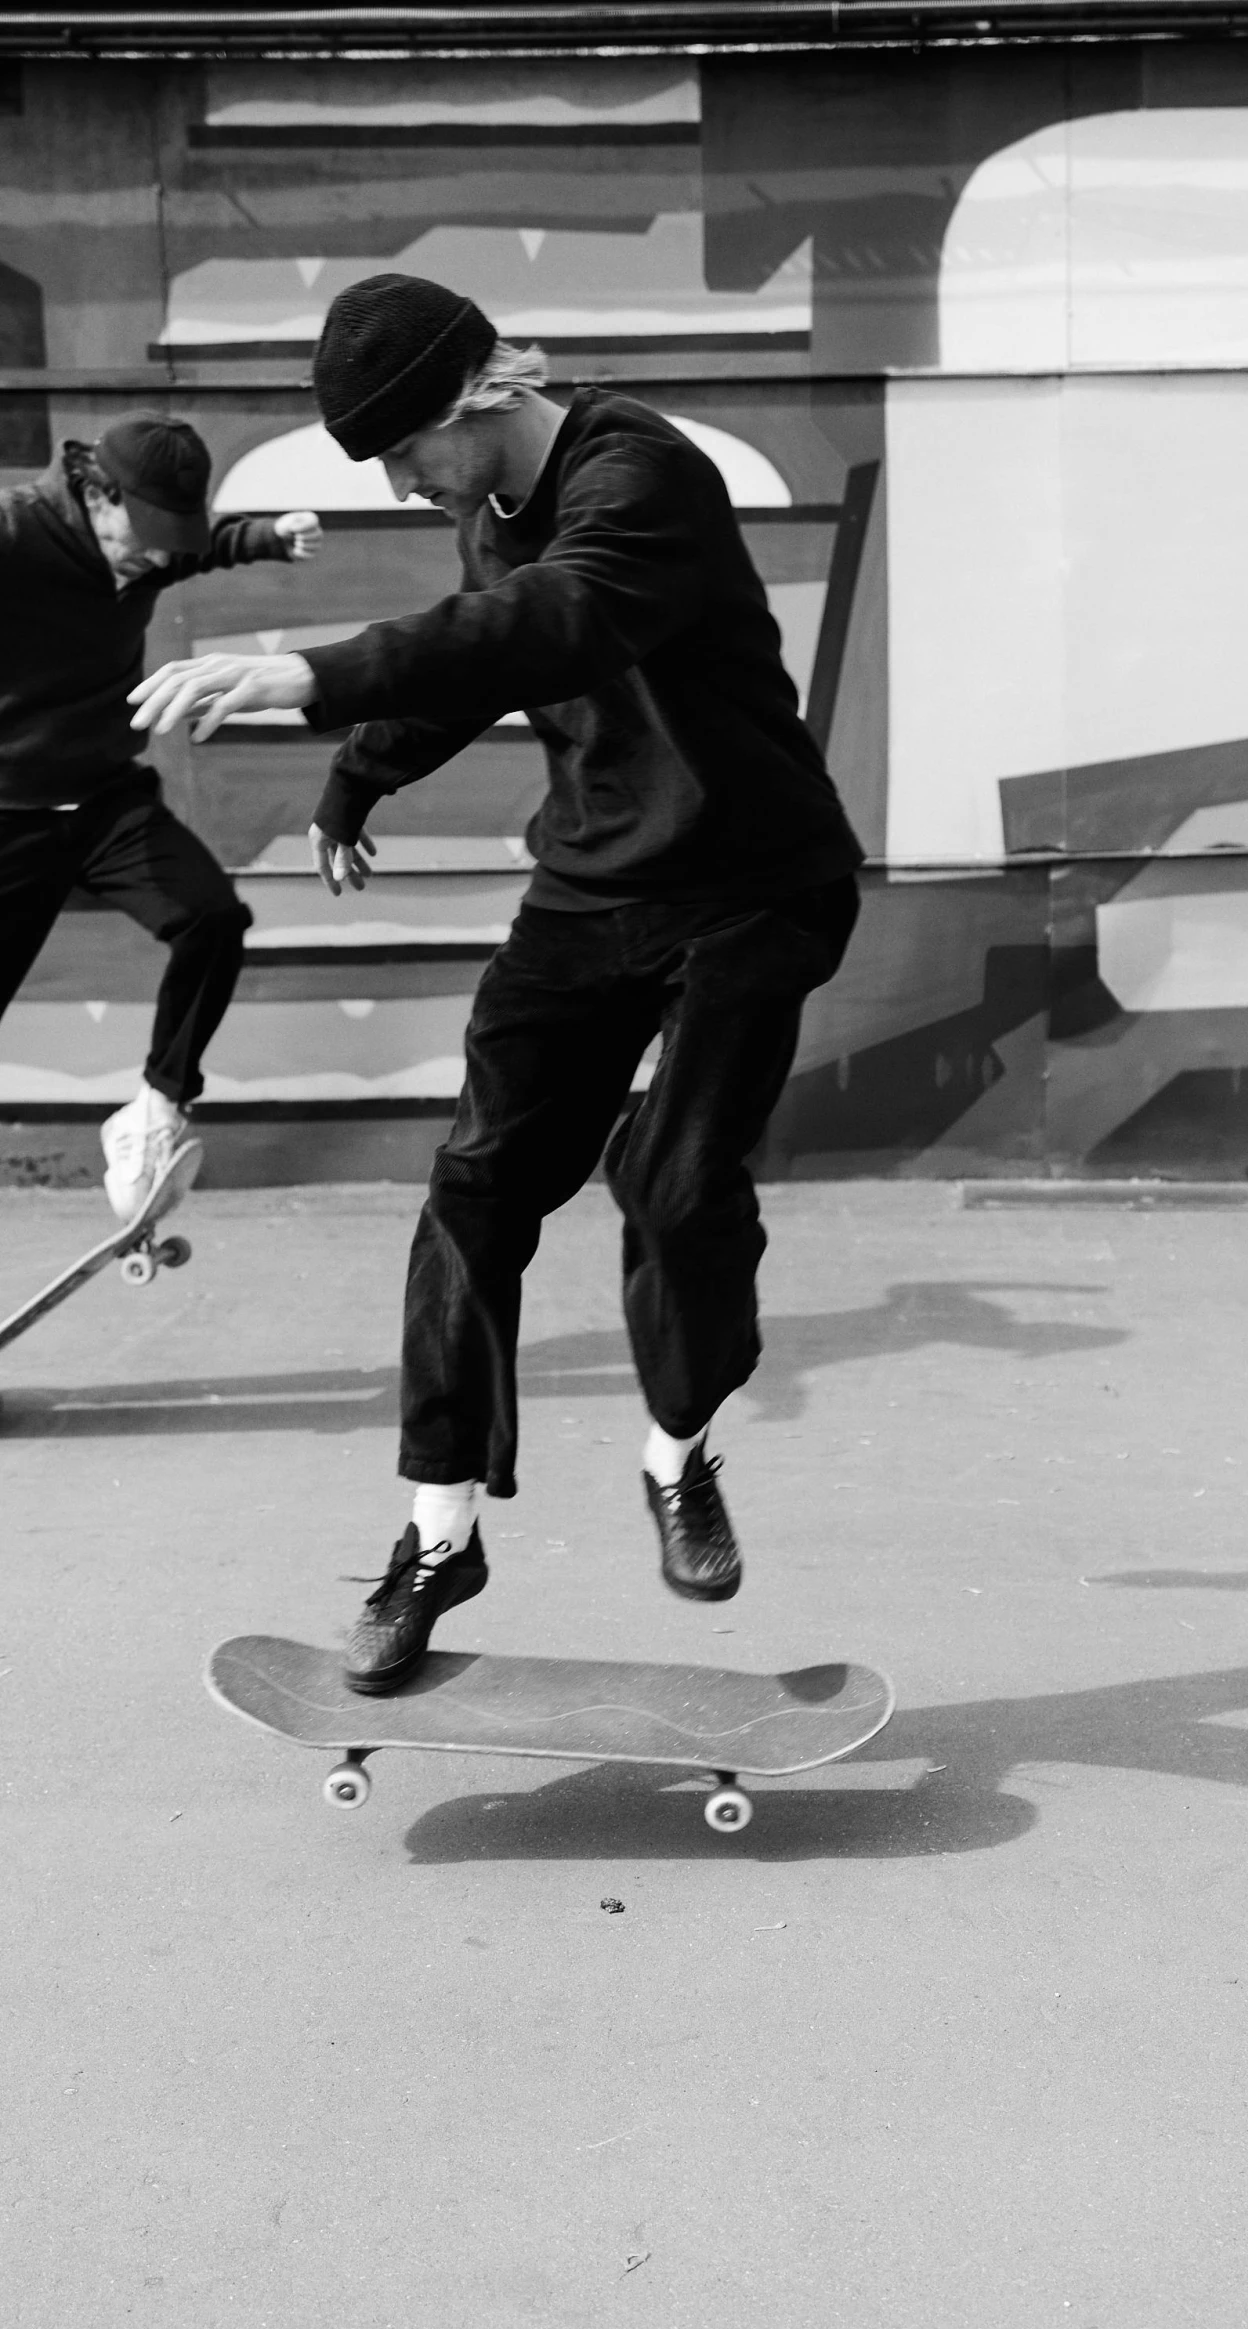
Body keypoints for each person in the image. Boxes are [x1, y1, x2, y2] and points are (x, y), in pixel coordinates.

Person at [132, 272, 863, 1694]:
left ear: (477, 396)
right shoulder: (491, 510)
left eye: (407, 452)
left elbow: (558, 625)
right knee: (474, 1185)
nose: (402, 483)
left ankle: (677, 1451)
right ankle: (435, 1535)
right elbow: (474, 657)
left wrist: (303, 673)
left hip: (752, 886)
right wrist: (357, 776)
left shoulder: (638, 471)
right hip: (595, 885)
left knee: (669, 1181)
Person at [0, 411, 321, 1218]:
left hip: (106, 801)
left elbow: (201, 546)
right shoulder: (13, 534)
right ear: (94, 493)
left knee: (211, 920)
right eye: (137, 535)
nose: (149, 560)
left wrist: (268, 537)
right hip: (10, 816)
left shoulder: (150, 551)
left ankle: (154, 1109)